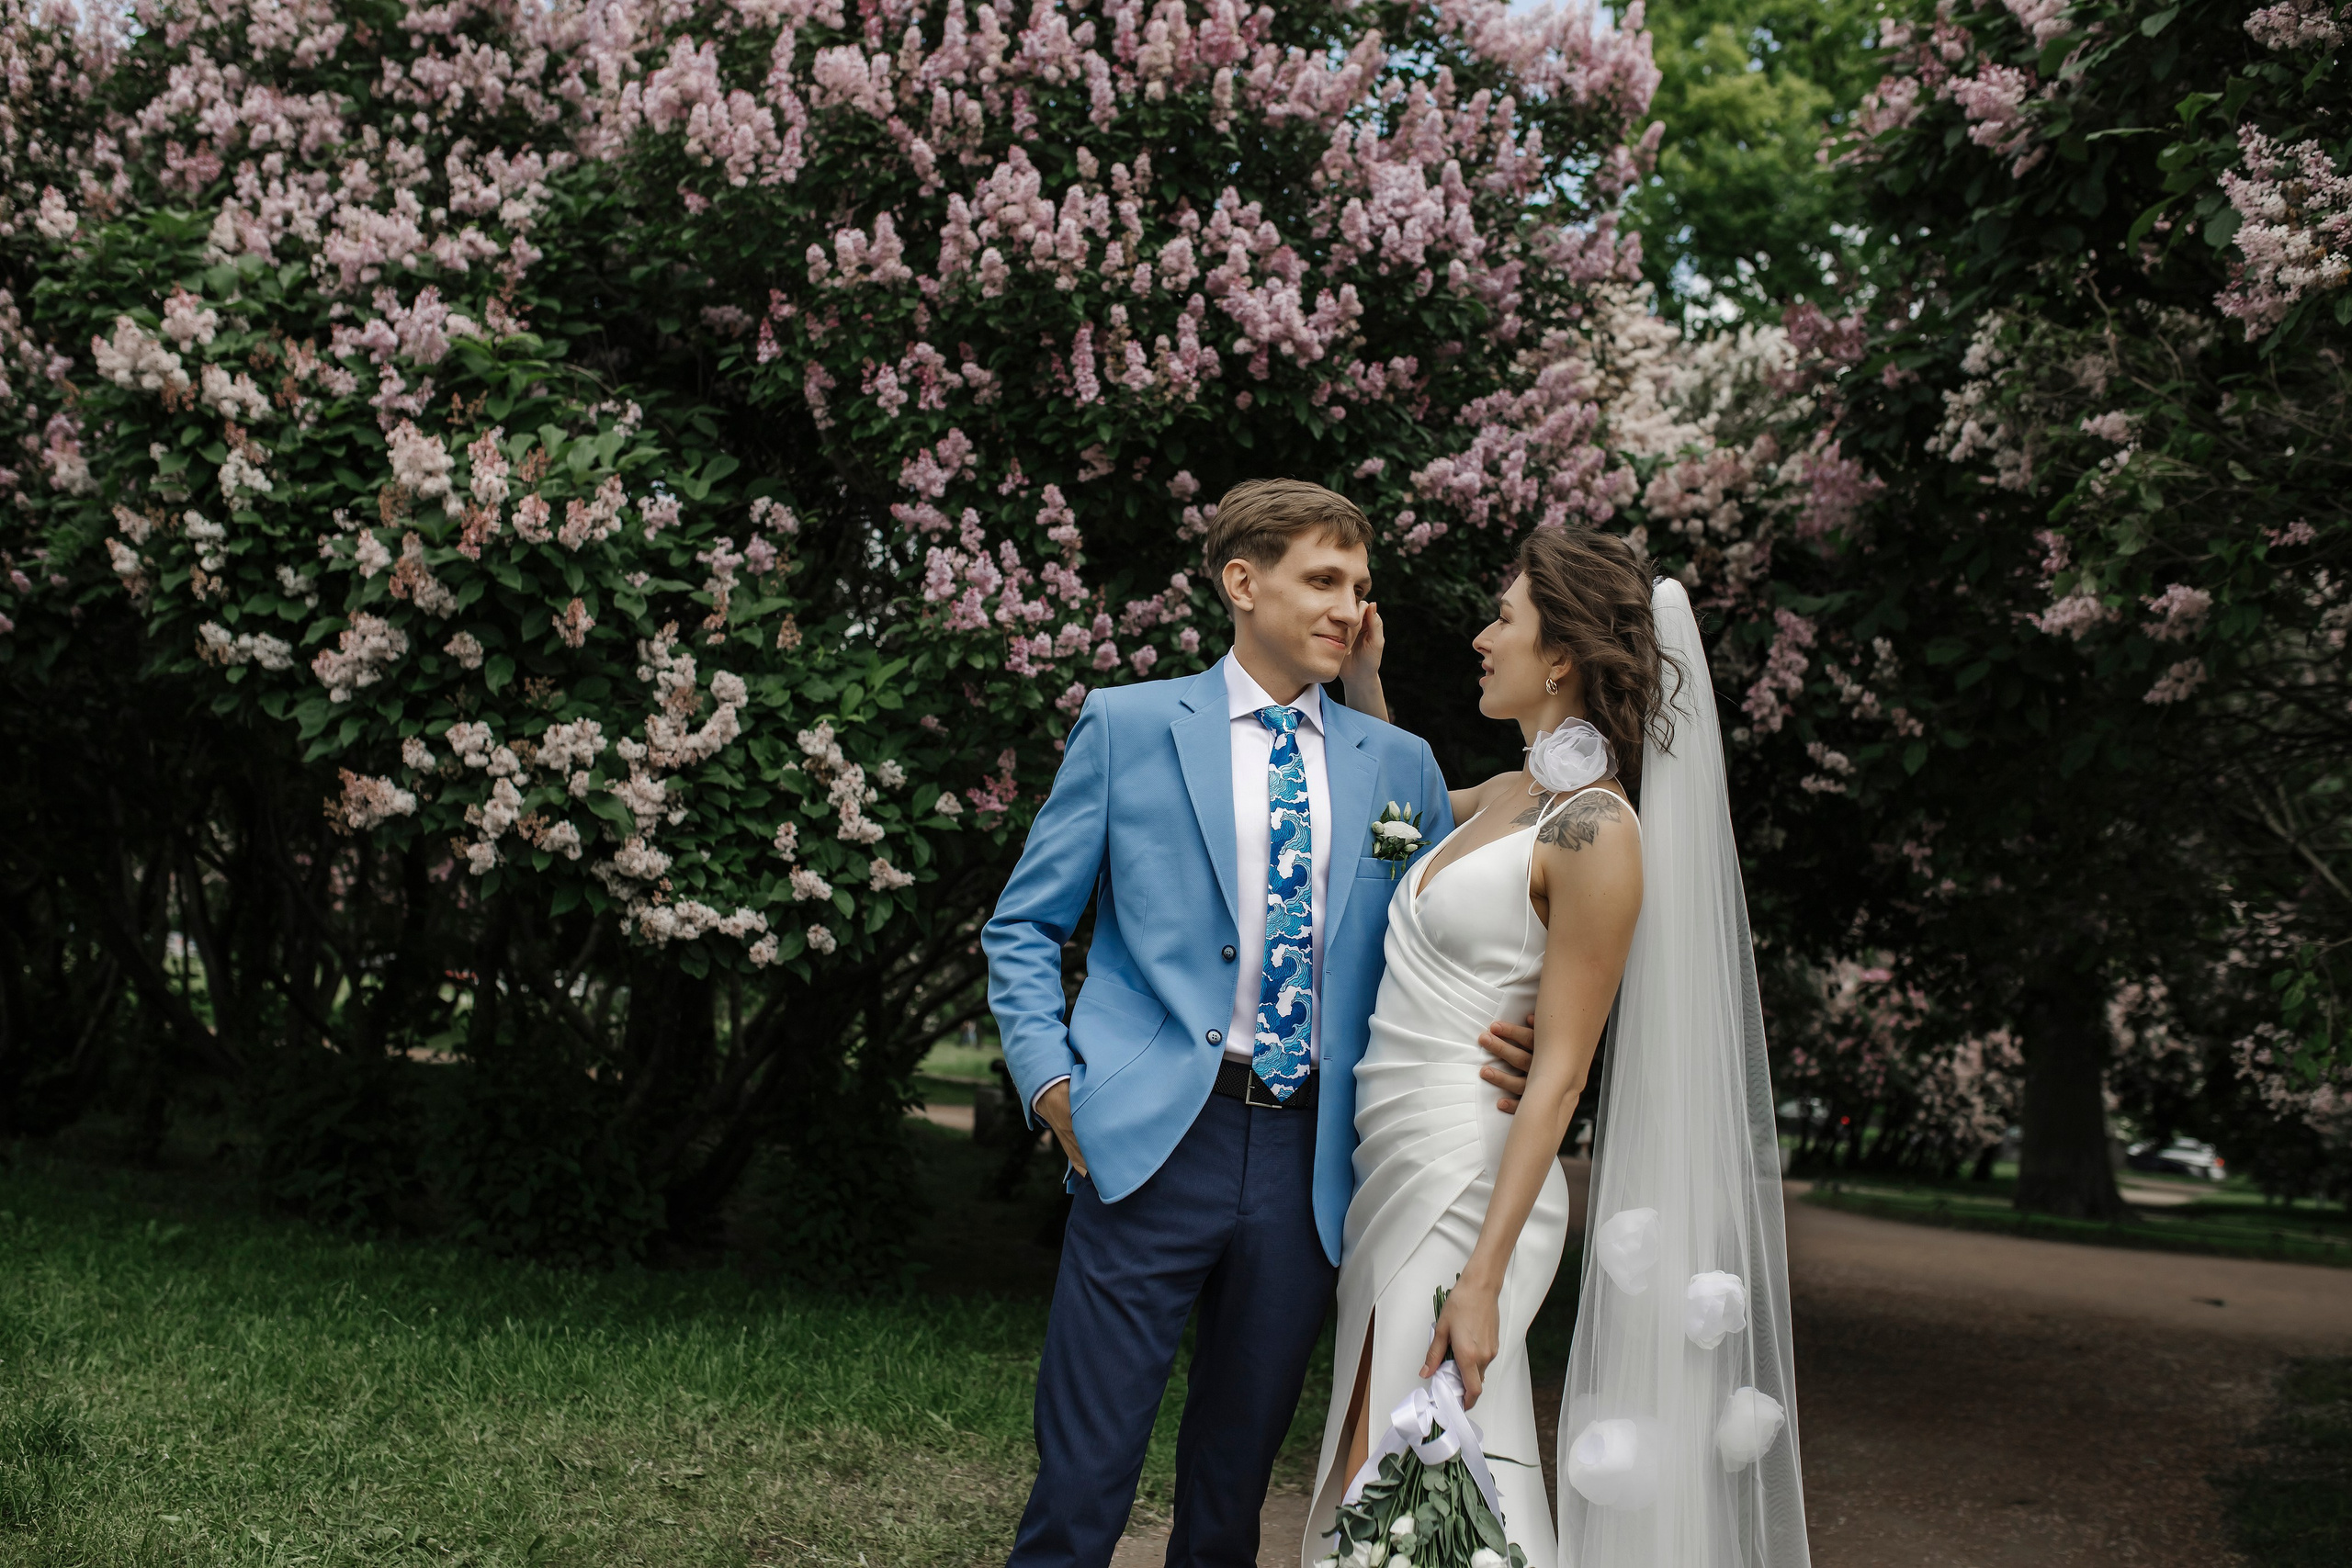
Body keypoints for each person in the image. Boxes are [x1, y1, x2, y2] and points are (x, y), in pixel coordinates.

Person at [982, 479, 1532, 1568]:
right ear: (1242, 582)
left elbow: (1432, 930)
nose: (1345, 606)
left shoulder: (1398, 766)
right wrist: (1052, 1086)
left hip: (1309, 1158)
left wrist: (1504, 1026)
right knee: (1083, 1480)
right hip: (1146, 1139)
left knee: (1232, 1493)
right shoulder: (1127, 725)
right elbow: (1023, 925)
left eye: (1359, 588)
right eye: (1320, 579)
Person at [1304, 528, 1809, 1568]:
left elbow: (1564, 1068)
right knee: (1392, 1468)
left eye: (1504, 617)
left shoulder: (1596, 830)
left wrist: (1483, 1283)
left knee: (1408, 1463)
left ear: (1563, 653)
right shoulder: (1505, 797)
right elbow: (1389, 829)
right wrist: (1364, 682)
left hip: (1471, 1178)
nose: (1484, 637)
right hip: (1391, 1157)